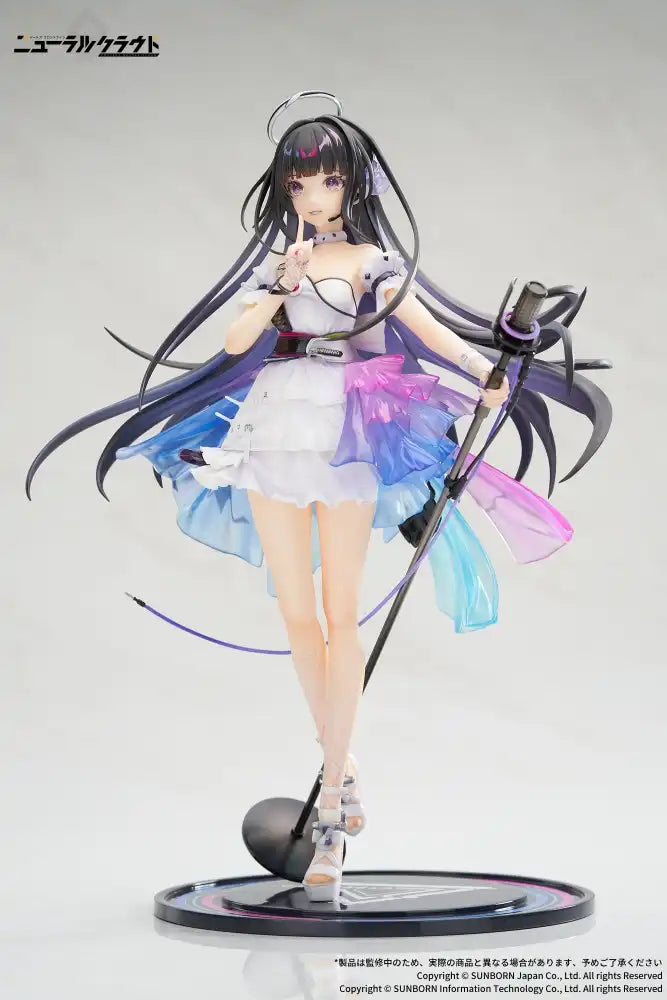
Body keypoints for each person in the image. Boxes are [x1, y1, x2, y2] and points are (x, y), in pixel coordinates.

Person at [25, 93, 612, 902]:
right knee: (296, 612)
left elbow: (429, 329)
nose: (312, 196)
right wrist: (281, 283)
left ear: (353, 184)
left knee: (340, 611)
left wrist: (485, 374)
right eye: (299, 184)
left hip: (346, 429)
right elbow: (237, 340)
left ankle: (332, 804)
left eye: (327, 181)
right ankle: (345, 766)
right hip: (275, 425)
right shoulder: (282, 263)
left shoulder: (372, 262)